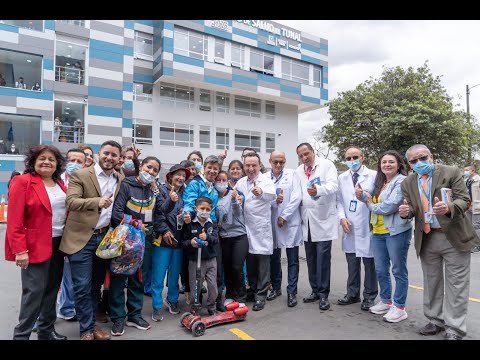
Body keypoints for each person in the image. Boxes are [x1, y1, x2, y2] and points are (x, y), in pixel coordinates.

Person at [399, 144, 480, 340]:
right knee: (432, 282)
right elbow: (411, 208)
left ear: (431, 156)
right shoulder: (408, 182)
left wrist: (449, 207)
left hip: (453, 236)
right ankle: (435, 320)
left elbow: (464, 200)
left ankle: (455, 328)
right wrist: (406, 212)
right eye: (414, 161)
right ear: (409, 164)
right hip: (427, 237)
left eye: (422, 158)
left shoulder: (450, 172)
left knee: (457, 285)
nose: (419, 163)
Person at [59, 140, 124, 340]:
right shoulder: (81, 174)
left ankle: (91, 325)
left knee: (96, 284)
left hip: (104, 239)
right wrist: (97, 201)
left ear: (119, 158)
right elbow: (71, 201)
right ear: (98, 154)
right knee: (82, 286)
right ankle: (85, 330)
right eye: (106, 153)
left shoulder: (119, 178)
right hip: (81, 238)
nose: (109, 157)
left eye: (114, 155)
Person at [5, 145, 67, 340]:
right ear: (33, 161)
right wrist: (20, 250)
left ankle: (46, 332)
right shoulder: (22, 182)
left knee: (51, 290)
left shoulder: (59, 184)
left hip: (59, 244)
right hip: (33, 246)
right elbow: (14, 220)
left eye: (51, 159)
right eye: (42, 158)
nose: (47, 162)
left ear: (57, 164)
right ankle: (21, 335)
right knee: (34, 293)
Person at [109, 156, 164, 336]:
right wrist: (136, 224)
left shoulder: (152, 190)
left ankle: (134, 315)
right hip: (124, 240)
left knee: (138, 279)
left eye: (155, 170)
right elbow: (116, 213)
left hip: (143, 241)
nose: (151, 172)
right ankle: (118, 318)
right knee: (118, 278)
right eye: (149, 167)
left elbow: (160, 211)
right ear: (141, 167)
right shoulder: (126, 185)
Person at [356, 150, 412, 323]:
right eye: (384, 162)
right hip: (378, 231)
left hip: (396, 231)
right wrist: (362, 195)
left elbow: (389, 206)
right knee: (380, 269)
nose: (387, 164)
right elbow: (369, 197)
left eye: (391, 162)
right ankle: (386, 301)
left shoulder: (402, 181)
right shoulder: (381, 181)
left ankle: (400, 307)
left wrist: (370, 204)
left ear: (399, 164)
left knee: (398, 270)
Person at [295, 142, 338, 311]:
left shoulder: (327, 165)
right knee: (311, 258)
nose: (305, 157)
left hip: (323, 219)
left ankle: (323, 295)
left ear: (313, 152)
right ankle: (314, 290)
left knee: (323, 259)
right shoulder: (299, 171)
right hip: (307, 220)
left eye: (307, 153)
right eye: (301, 156)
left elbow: (334, 186)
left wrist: (318, 190)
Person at [336, 146, 378, 311]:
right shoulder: (342, 177)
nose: (352, 161)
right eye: (348, 158)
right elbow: (338, 200)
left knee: (369, 263)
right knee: (352, 263)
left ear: (363, 157)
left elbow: (377, 198)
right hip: (349, 226)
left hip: (367, 224)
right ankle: (352, 294)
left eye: (355, 157)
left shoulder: (374, 175)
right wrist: (342, 217)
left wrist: (365, 197)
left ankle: (369, 296)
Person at [235, 153, 276, 311]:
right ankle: (252, 290)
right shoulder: (241, 182)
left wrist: (261, 192)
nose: (251, 168)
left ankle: (261, 295)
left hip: (261, 229)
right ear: (244, 167)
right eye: (248, 165)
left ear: (259, 166)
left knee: (263, 265)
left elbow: (272, 194)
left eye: (254, 165)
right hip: (246, 229)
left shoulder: (265, 181)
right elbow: (234, 195)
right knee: (250, 263)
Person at [151, 164, 191, 321]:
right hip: (163, 240)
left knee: (174, 275)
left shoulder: (184, 194)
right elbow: (158, 213)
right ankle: (156, 306)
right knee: (158, 276)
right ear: (169, 176)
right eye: (178, 175)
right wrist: (165, 230)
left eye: (183, 175)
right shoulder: (161, 190)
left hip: (179, 240)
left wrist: (186, 218)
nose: (181, 178)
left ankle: (172, 300)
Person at [266, 151, 302, 307]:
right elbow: (263, 199)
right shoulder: (265, 178)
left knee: (292, 259)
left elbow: (297, 197)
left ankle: (292, 291)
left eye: (281, 162)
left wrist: (285, 216)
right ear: (270, 161)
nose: (278, 165)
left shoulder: (293, 175)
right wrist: (274, 201)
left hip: (290, 222)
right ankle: (276, 287)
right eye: (275, 162)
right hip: (272, 223)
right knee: (274, 258)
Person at [183, 155, 221, 305]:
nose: (212, 171)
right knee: (194, 273)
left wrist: (213, 228)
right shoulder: (195, 184)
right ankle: (194, 301)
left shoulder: (214, 189)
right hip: (194, 226)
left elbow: (213, 211)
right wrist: (188, 215)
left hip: (210, 228)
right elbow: (189, 201)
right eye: (209, 168)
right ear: (204, 168)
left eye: (215, 169)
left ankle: (214, 302)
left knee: (213, 271)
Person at [57, 149, 86, 322]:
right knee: (47, 279)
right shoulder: (56, 181)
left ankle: (67, 308)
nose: (74, 164)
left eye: (79, 161)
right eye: (71, 159)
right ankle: (38, 318)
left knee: (69, 276)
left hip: (73, 235)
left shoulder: (85, 182)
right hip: (53, 234)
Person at [182, 197, 219, 315]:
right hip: (195, 261)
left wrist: (207, 237)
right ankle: (195, 306)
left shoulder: (212, 224)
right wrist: (190, 243)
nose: (205, 211)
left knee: (213, 286)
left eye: (208, 209)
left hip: (211, 260)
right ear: (196, 208)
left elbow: (216, 240)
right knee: (195, 287)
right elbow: (183, 241)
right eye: (202, 208)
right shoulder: (190, 224)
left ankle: (211, 306)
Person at [216, 170, 248, 303]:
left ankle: (241, 295)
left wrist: (235, 200)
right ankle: (229, 294)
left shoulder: (234, 194)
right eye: (219, 180)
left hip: (239, 236)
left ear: (228, 181)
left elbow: (238, 212)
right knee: (227, 267)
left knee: (237, 266)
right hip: (224, 236)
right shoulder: (213, 196)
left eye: (224, 180)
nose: (221, 183)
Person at [464, 164, 480, 253]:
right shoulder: (467, 180)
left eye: (466, 170)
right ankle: (471, 244)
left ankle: (477, 245)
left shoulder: (479, 180)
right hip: (468, 206)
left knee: (476, 226)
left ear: (473, 171)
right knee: (469, 226)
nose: (465, 172)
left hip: (477, 206)